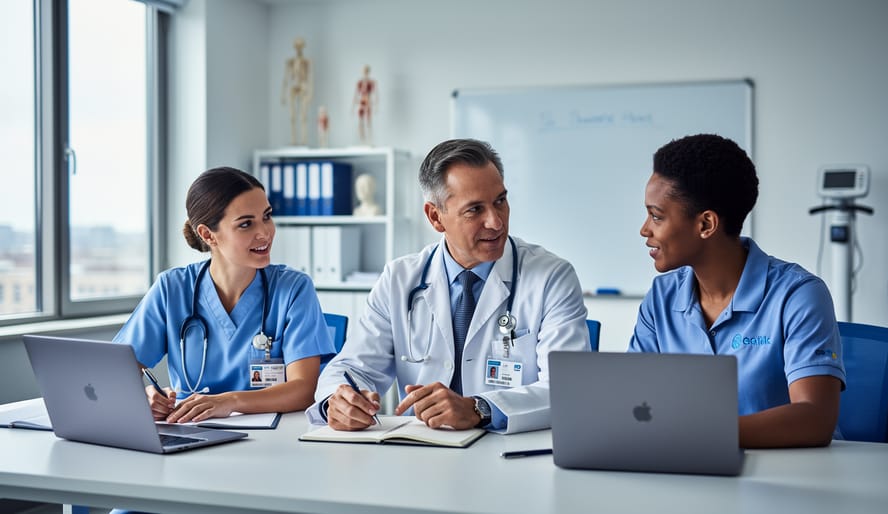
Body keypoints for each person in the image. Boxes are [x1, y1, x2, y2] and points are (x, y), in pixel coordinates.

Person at [307, 138, 589, 434]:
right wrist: (336, 403)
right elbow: (351, 368)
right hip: (422, 456)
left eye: (500, 201)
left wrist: (480, 408)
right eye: (474, 210)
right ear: (435, 217)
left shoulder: (551, 277)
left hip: (509, 454)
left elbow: (567, 389)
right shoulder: (400, 279)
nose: (495, 222)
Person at [630, 133, 845, 448]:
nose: (644, 229)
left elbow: (815, 418)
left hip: (792, 479)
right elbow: (634, 400)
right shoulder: (661, 297)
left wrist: (698, 436)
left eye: (657, 216)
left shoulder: (799, 295)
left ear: (706, 225)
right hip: (689, 471)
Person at [114, 166, 334, 424]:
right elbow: (115, 372)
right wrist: (146, 396)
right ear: (208, 235)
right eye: (245, 224)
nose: (264, 232)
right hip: (190, 431)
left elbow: (304, 389)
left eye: (267, 216)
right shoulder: (171, 289)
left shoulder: (293, 288)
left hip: (273, 440)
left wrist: (228, 402)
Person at [281, 37, 313, 146]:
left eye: (300, 46)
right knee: (292, 116)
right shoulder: (290, 62)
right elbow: (286, 78)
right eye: (297, 46)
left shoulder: (306, 62)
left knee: (303, 115)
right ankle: (294, 140)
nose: (298, 48)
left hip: (303, 87)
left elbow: (309, 77)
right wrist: (283, 94)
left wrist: (310, 93)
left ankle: (304, 140)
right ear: (295, 47)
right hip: (293, 86)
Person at [352, 64, 377, 145]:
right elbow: (356, 95)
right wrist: (353, 107)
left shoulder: (371, 82)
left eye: (366, 71)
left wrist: (375, 105)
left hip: (368, 103)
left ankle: (369, 140)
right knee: (361, 122)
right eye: (364, 71)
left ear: (368, 72)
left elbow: (375, 94)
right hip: (361, 103)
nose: (365, 73)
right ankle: (362, 140)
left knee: (368, 122)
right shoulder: (359, 83)